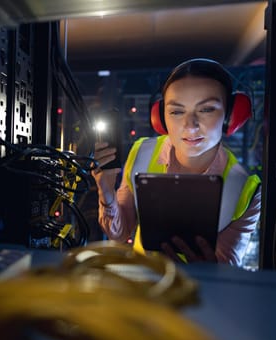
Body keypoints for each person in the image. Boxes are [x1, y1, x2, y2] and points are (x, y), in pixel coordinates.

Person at [92, 58, 261, 266]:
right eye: (177, 111)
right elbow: (118, 233)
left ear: (231, 116)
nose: (190, 126)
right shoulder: (142, 153)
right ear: (161, 118)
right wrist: (106, 192)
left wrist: (207, 269)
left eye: (206, 109)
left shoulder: (245, 189)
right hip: (142, 290)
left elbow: (228, 268)